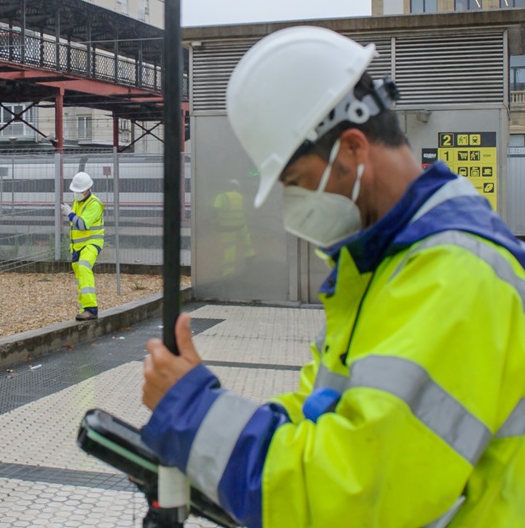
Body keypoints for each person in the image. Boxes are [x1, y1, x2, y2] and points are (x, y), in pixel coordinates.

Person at [140, 26, 525, 527]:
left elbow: (349, 495)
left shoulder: (455, 275)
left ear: (352, 148)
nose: (294, 207)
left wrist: (191, 410)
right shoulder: (388, 267)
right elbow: (319, 414)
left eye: (297, 184)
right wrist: (199, 440)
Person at [61, 171, 105, 321]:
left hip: (92, 243)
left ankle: (91, 309)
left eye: (79, 191)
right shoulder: (78, 203)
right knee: (81, 274)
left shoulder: (94, 204)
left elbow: (82, 225)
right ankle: (83, 309)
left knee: (84, 267)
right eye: (75, 191)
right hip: (78, 246)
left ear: (87, 189)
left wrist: (69, 213)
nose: (76, 193)